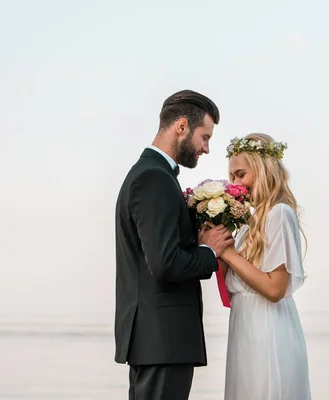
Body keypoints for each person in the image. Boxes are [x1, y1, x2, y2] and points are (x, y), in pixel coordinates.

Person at [114, 89, 234, 400]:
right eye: (204, 137)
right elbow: (165, 263)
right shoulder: (154, 178)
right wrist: (209, 251)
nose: (206, 148)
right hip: (162, 340)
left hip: (156, 342)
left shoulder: (152, 174)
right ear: (181, 127)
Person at [220, 133, 311, 399]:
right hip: (244, 325)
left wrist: (227, 253)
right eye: (232, 176)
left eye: (240, 174)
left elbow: (275, 289)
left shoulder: (279, 214)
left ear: (263, 171)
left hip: (267, 328)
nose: (235, 183)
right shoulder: (249, 222)